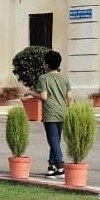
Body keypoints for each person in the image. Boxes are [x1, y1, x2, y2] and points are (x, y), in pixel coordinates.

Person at [26, 50, 73, 178]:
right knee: (56, 140)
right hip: (62, 112)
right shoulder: (64, 78)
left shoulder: (43, 78)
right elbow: (69, 97)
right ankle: (52, 167)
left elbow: (44, 96)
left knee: (53, 141)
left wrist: (30, 92)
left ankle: (60, 167)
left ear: (46, 64)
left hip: (50, 113)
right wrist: (70, 111)